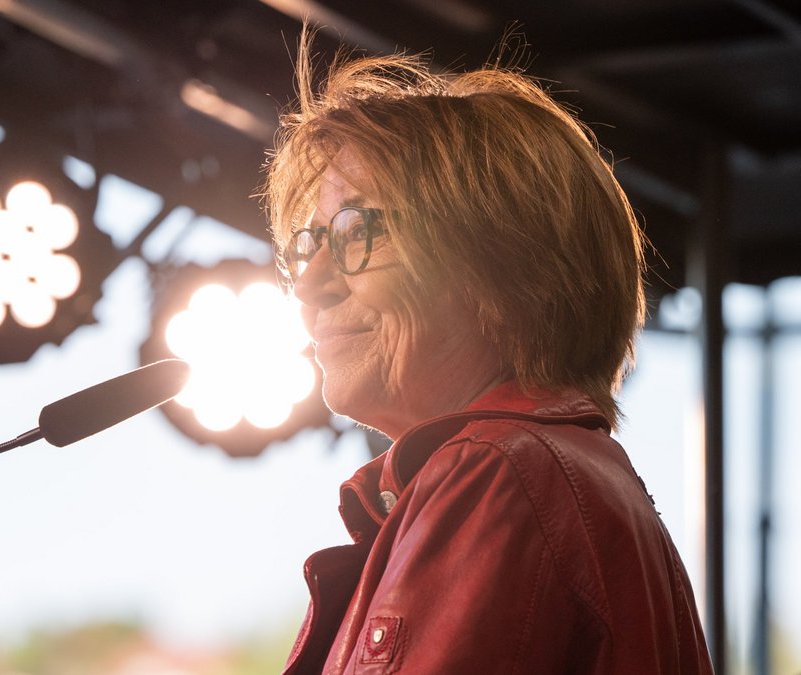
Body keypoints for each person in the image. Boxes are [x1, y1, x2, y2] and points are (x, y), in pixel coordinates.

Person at [264, 43, 714, 675]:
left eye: (358, 232)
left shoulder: (496, 470)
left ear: (500, 267)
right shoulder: (557, 474)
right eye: (308, 243)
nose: (310, 284)